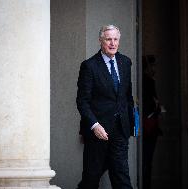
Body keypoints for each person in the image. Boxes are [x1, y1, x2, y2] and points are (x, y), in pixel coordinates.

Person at [76, 25, 134, 189]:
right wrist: (94, 125)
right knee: (91, 178)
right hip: (98, 132)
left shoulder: (125, 62)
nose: (112, 43)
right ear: (101, 41)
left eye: (115, 39)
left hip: (120, 131)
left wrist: (130, 125)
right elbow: (82, 101)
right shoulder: (89, 66)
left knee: (122, 178)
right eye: (108, 39)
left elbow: (127, 97)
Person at [142, 55, 163, 189]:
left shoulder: (148, 80)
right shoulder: (147, 81)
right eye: (153, 65)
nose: (155, 68)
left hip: (149, 127)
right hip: (148, 127)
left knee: (147, 161)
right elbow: (152, 105)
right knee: (146, 161)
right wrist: (157, 108)